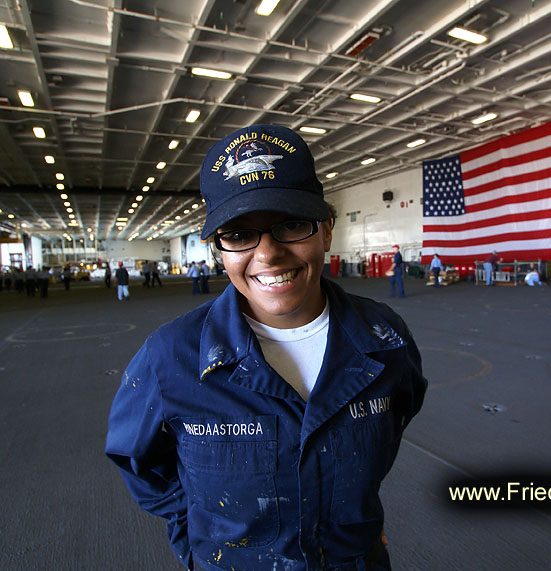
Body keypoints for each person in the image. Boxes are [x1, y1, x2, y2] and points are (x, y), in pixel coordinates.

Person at [106, 124, 427, 571]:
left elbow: (395, 421)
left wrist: (351, 521)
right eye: (239, 235)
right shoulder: (171, 357)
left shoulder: (384, 338)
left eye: (292, 225)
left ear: (327, 231)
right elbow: (139, 464)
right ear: (220, 249)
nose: (269, 253)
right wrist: (200, 541)